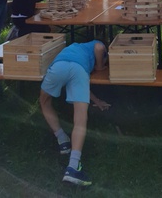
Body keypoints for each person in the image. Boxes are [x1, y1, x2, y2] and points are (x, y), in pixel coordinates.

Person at [40, 40, 111, 186]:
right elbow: (99, 47)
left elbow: (72, 70)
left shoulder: (76, 47)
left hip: (59, 66)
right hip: (79, 70)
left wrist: (96, 100)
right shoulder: (97, 43)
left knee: (44, 101)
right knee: (80, 119)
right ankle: (73, 167)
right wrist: (100, 66)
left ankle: (62, 140)